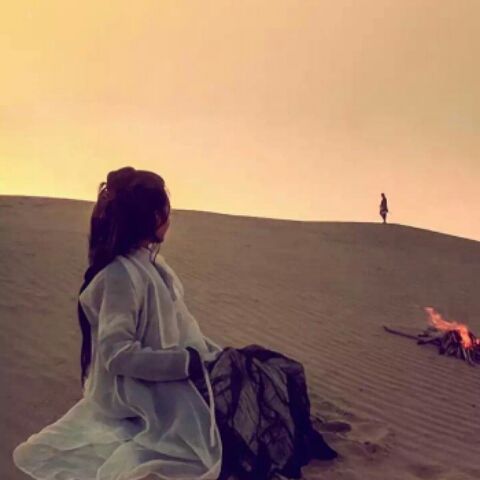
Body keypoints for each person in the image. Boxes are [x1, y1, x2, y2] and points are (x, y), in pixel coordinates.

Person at [13, 166, 337, 480]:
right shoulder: (118, 276)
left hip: (178, 370)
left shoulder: (152, 266)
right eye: (164, 211)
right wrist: (186, 363)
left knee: (270, 370)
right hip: (141, 390)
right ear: (151, 218)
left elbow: (182, 328)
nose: (169, 218)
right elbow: (117, 355)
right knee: (245, 407)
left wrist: (212, 358)